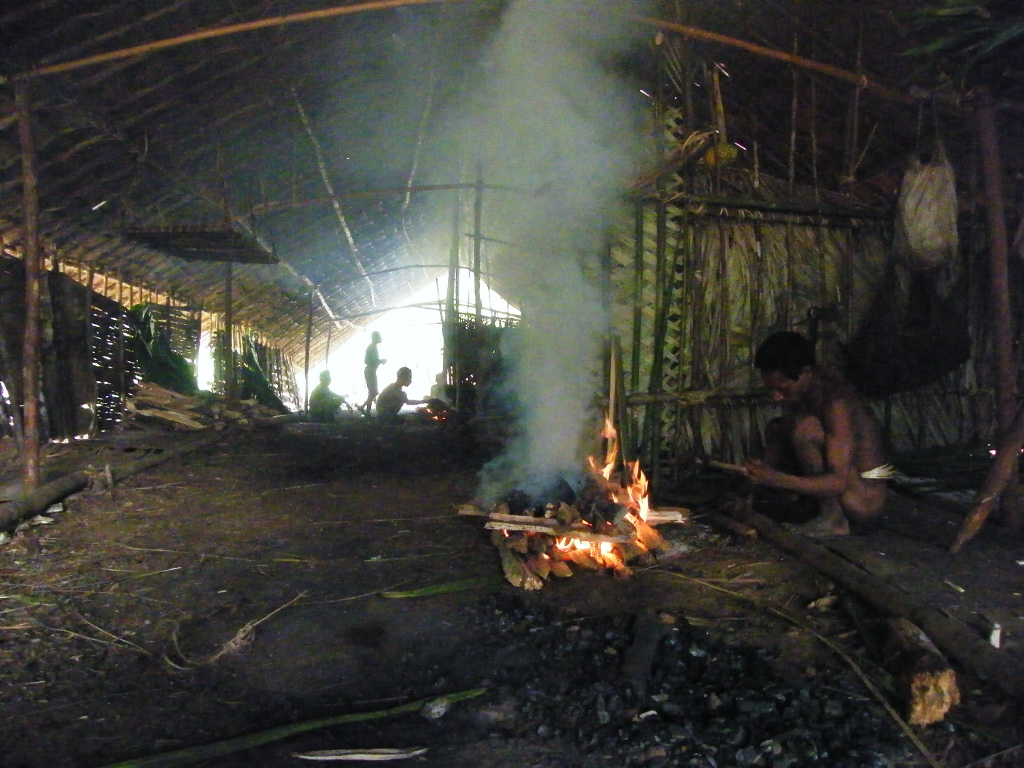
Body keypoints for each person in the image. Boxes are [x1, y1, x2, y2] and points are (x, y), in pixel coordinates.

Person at [741, 331, 888, 536]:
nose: (776, 397)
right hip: (846, 488)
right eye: (771, 390)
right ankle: (804, 506)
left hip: (864, 499)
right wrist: (752, 488)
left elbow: (839, 482)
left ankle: (834, 521)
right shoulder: (804, 393)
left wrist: (775, 478)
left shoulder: (836, 403)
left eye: (782, 389)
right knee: (779, 427)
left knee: (805, 429)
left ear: (806, 373)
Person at [360, 331, 386, 415]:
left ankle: (367, 410)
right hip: (370, 371)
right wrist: (380, 361)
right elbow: (367, 361)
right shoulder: (372, 348)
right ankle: (363, 407)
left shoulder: (372, 347)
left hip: (371, 371)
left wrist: (379, 361)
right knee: (373, 392)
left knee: (372, 392)